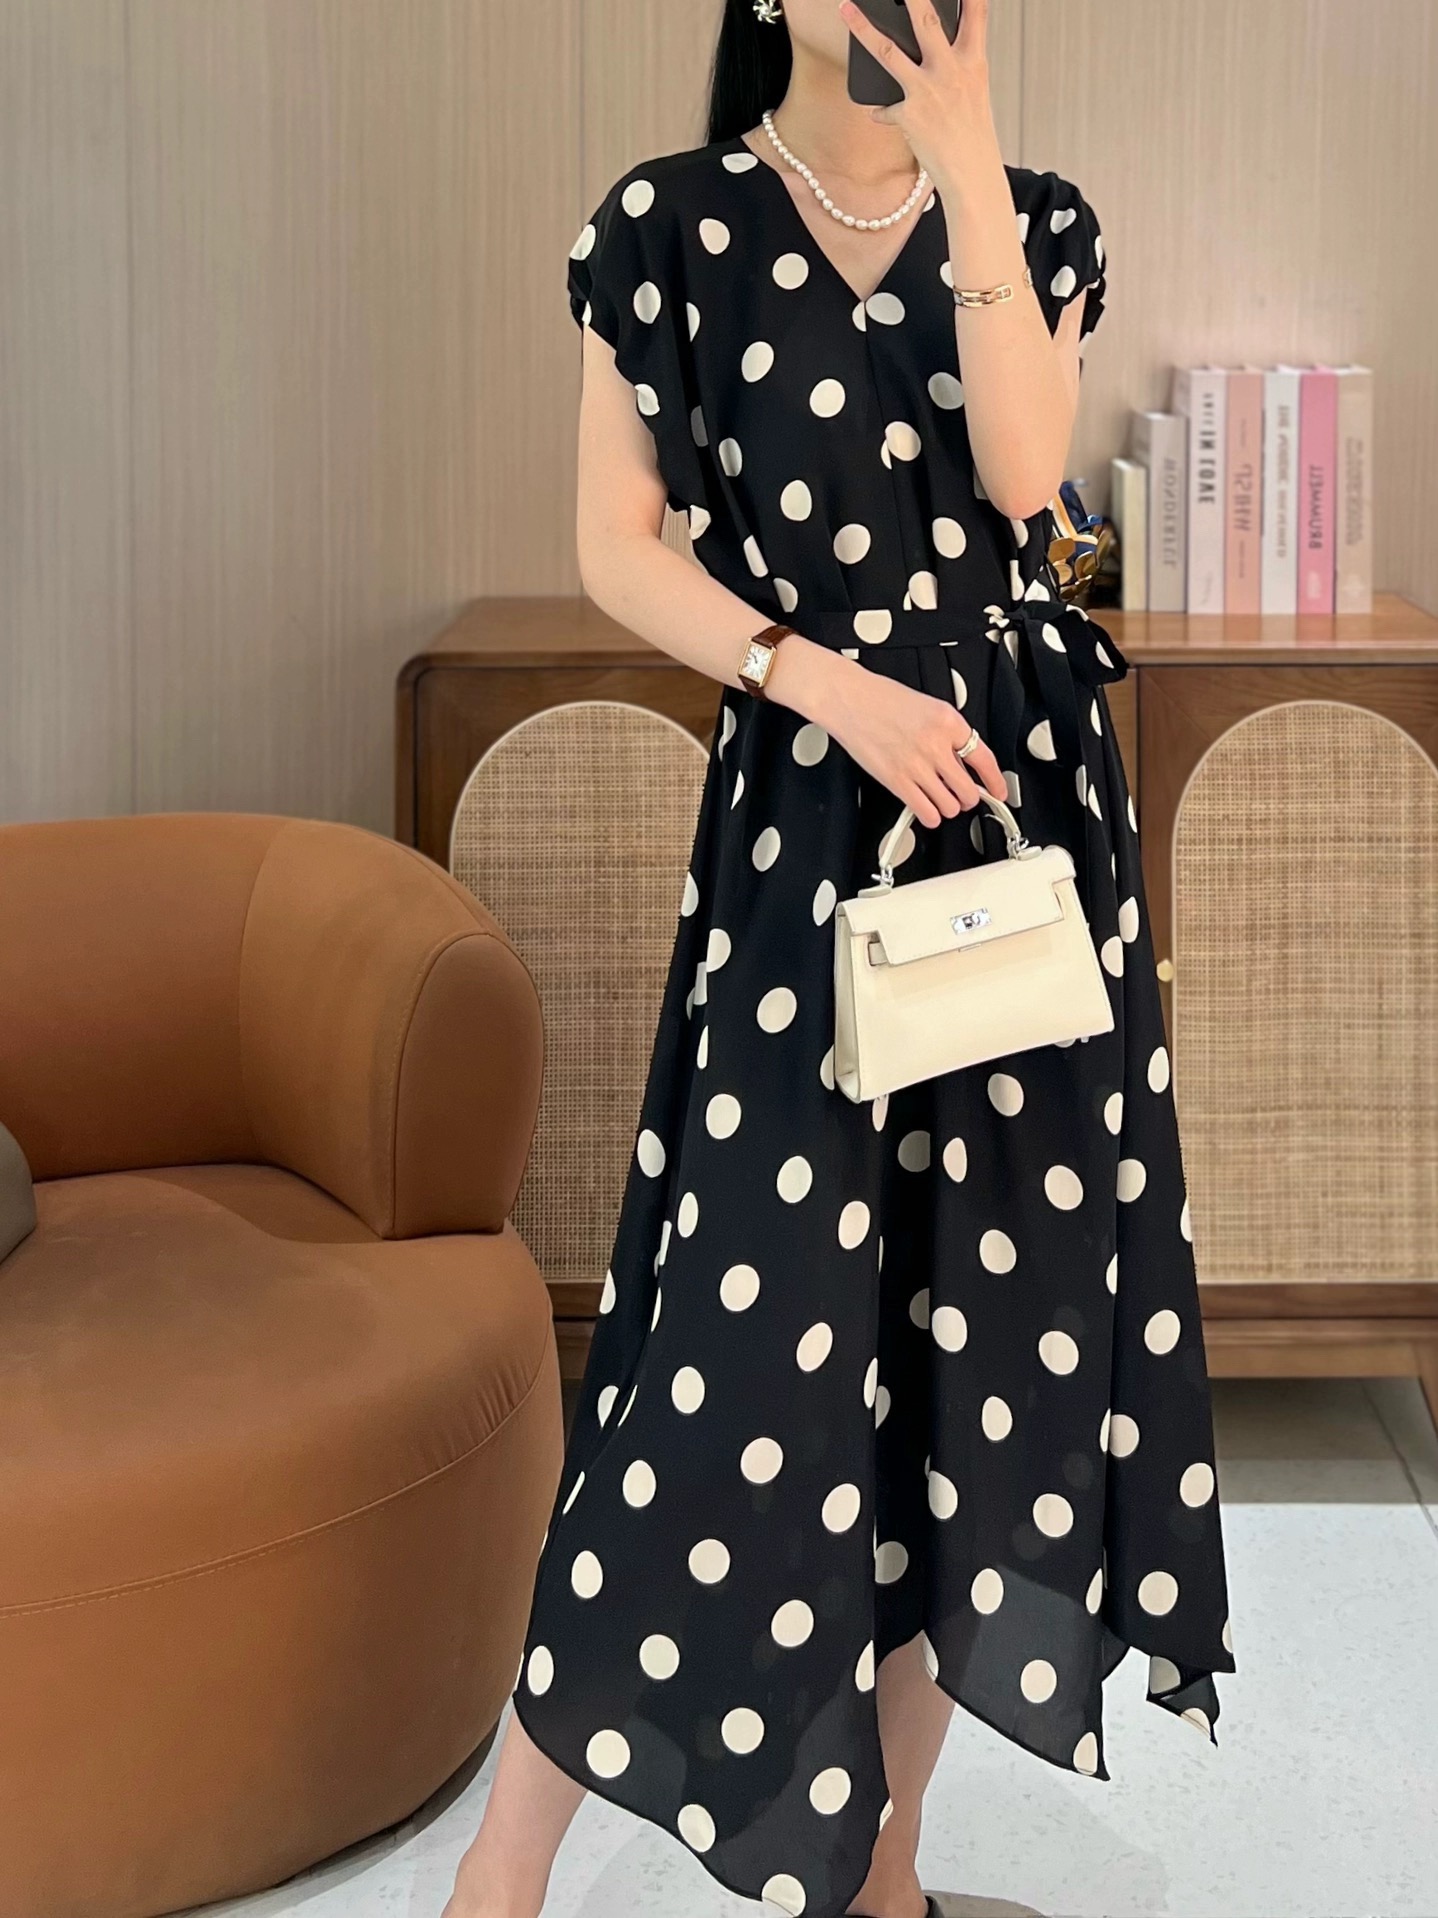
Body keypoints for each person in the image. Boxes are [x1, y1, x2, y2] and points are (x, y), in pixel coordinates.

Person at [445, 1, 1235, 1914]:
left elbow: (1028, 481)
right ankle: (498, 1879)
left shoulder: (1034, 216)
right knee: (722, 1359)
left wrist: (968, 169)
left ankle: (884, 1875)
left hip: (1016, 822)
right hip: (807, 823)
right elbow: (618, 546)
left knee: (983, 1366)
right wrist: (818, 684)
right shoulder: (667, 224)